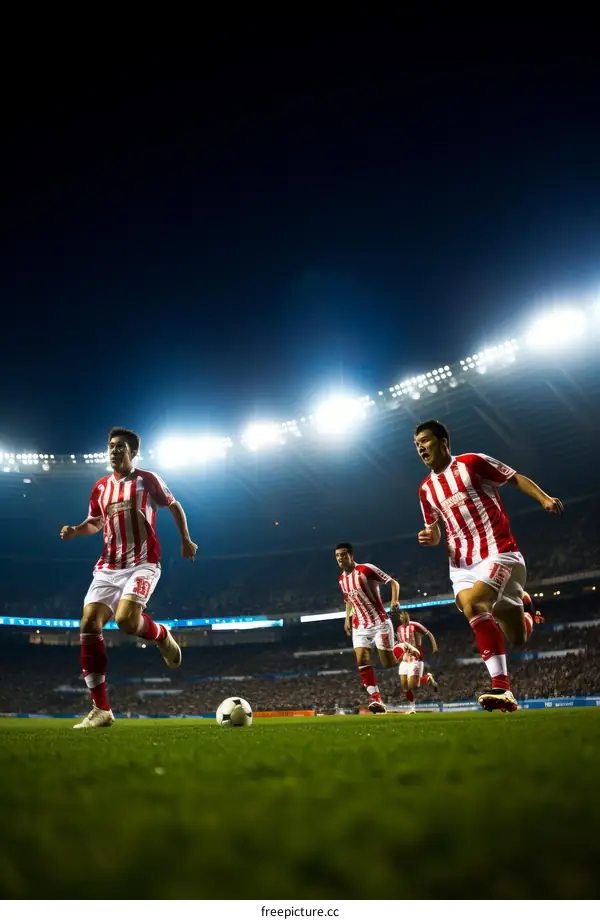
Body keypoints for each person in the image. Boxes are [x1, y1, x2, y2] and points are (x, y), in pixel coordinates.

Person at [414, 419, 562, 713]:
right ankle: (527, 610)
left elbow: (514, 477)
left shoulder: (472, 462)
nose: (420, 448)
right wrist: (430, 537)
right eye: (417, 444)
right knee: (518, 638)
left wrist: (544, 498)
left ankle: (502, 689)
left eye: (426, 441)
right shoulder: (425, 489)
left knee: (475, 604)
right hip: (461, 566)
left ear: (443, 442)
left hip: (498, 551)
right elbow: (433, 528)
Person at [60, 427, 198, 728]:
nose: (114, 451)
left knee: (125, 622)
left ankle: (160, 634)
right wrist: (75, 530)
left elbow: (174, 505)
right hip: (108, 566)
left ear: (133, 452)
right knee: (88, 624)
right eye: (111, 446)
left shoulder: (147, 480)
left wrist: (185, 540)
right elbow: (95, 522)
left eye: (121, 446)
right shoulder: (100, 488)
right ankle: (101, 709)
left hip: (142, 563)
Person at [336, 542, 401, 714]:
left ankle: (404, 647)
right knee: (362, 660)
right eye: (337, 556)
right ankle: (376, 700)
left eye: (343, 555)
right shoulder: (342, 580)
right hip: (360, 626)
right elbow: (349, 600)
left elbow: (393, 582)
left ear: (351, 555)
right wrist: (347, 618)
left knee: (389, 663)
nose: (340, 559)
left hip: (379, 623)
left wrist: (394, 600)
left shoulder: (366, 570)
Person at [396, 611, 439, 714]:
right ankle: (412, 708)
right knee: (404, 686)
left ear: (408, 619)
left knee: (413, 685)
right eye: (403, 621)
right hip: (405, 660)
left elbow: (429, 633)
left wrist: (435, 646)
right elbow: (401, 643)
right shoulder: (399, 629)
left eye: (407, 621)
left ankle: (428, 678)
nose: (405, 622)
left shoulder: (415, 625)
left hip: (416, 658)